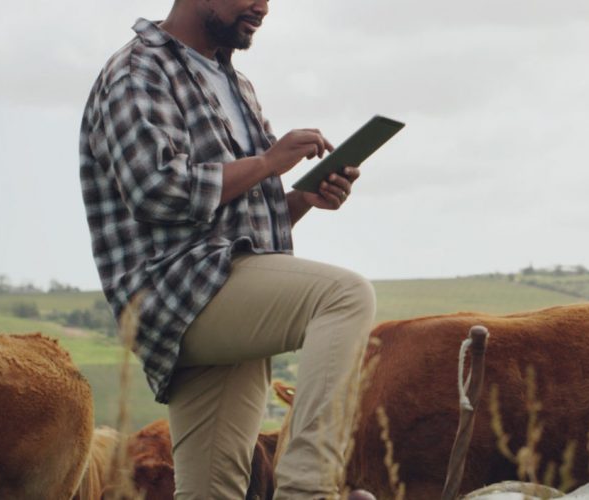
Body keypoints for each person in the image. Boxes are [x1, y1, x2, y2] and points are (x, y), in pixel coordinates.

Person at [78, 0, 378, 497]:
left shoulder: (234, 85)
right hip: (177, 291)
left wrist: (301, 197)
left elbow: (244, 223)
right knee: (344, 296)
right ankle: (308, 490)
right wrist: (267, 162)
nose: (263, 6)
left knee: (210, 491)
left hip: (226, 289)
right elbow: (155, 188)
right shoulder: (137, 70)